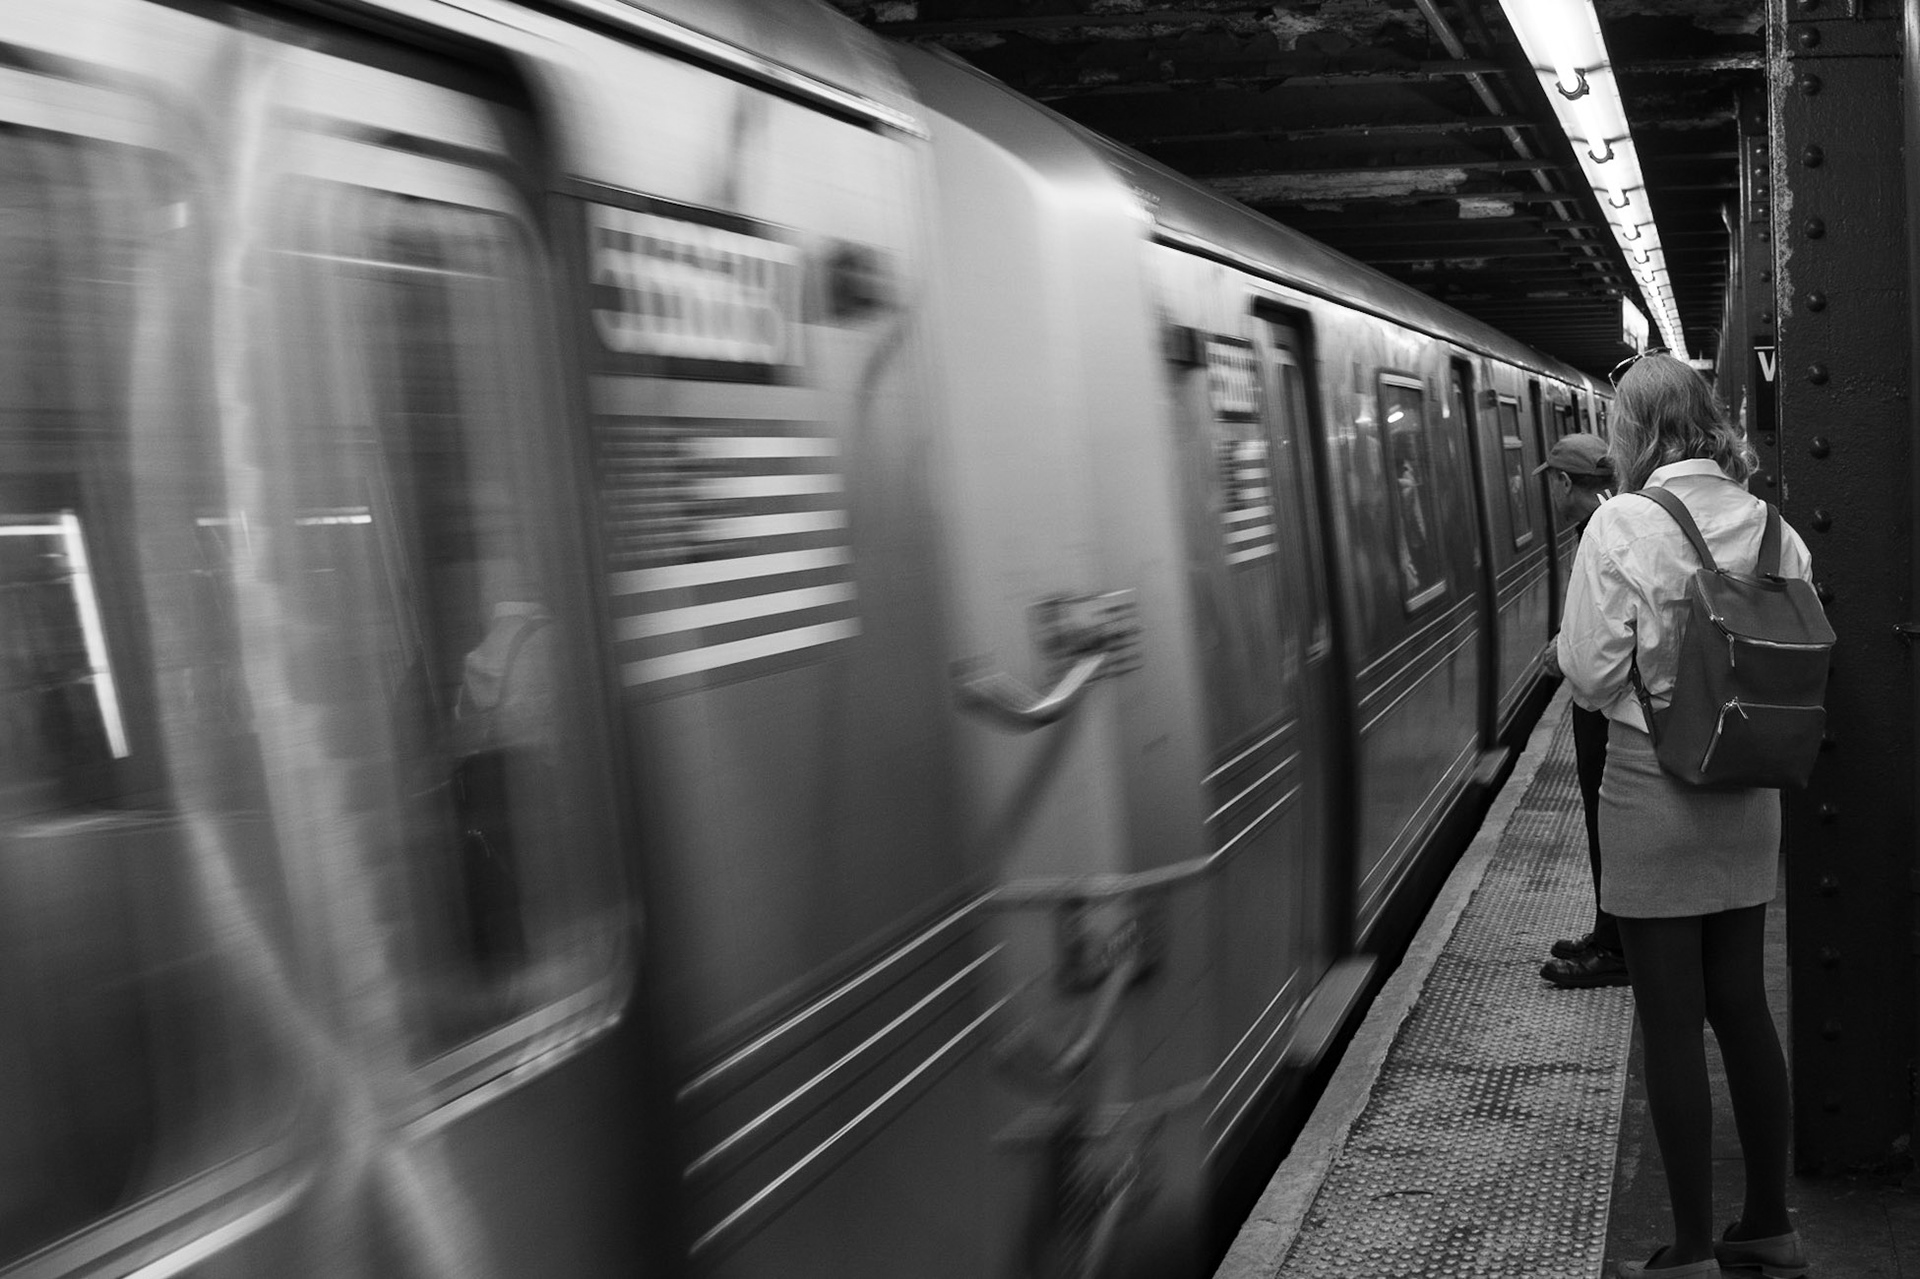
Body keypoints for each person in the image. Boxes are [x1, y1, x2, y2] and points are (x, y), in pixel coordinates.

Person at [1558, 354, 1811, 1279]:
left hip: (1651, 782)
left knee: (1671, 1019)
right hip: (1747, 787)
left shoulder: (1621, 523)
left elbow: (1588, 676)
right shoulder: (1775, 528)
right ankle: (1770, 1225)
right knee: (1742, 1003)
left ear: (1632, 431)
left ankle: (1693, 1250)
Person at [1533, 433, 1627, 989]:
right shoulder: (1605, 518)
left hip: (1603, 701)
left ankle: (1615, 946)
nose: (1552, 493)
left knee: (1604, 818)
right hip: (1603, 696)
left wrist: (1562, 651)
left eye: (1553, 483)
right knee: (1600, 818)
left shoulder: (1599, 527)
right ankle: (1606, 930)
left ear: (1567, 483)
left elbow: (1603, 627)